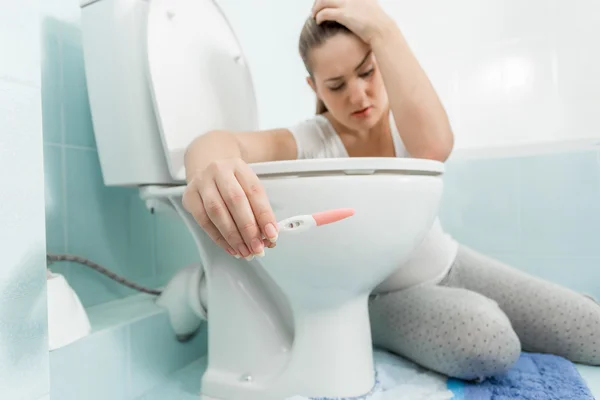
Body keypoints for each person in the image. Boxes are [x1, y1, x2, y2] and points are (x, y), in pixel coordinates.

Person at [182, 0, 600, 382]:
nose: (357, 95)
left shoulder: (407, 123)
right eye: (336, 84)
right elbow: (219, 142)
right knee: (488, 340)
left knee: (591, 328)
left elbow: (435, 148)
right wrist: (209, 167)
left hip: (448, 263)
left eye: (367, 71)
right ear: (314, 88)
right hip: (376, 298)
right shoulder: (310, 141)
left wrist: (383, 27)